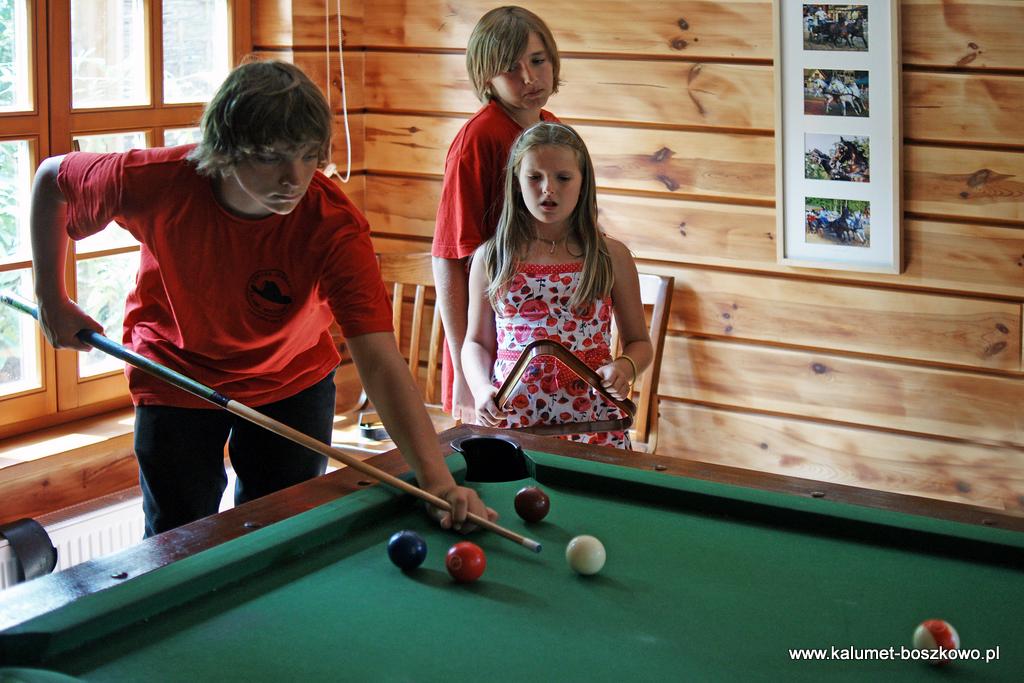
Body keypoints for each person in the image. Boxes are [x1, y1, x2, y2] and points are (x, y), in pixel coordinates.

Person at [29, 59, 496, 537]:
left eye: (308, 156)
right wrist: (51, 299)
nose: (294, 178)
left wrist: (438, 483)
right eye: (271, 158)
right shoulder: (153, 179)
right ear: (226, 149)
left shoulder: (333, 226)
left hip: (293, 378)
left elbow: (379, 360)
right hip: (175, 373)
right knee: (178, 533)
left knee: (279, 531)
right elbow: (51, 178)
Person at [461, 122, 653, 449]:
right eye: (534, 177)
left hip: (595, 421)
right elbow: (475, 342)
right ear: (516, 182)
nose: (548, 188)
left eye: (563, 178)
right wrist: (480, 389)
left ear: (583, 183)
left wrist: (625, 367)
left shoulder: (610, 256)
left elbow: (639, 343)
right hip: (514, 423)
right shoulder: (491, 257)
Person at [432, 6, 561, 425]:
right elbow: (448, 257)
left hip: (544, 334)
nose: (530, 78)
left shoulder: (552, 130)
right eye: (511, 69)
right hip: (488, 341)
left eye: (538, 61)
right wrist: (464, 371)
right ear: (486, 76)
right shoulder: (479, 139)